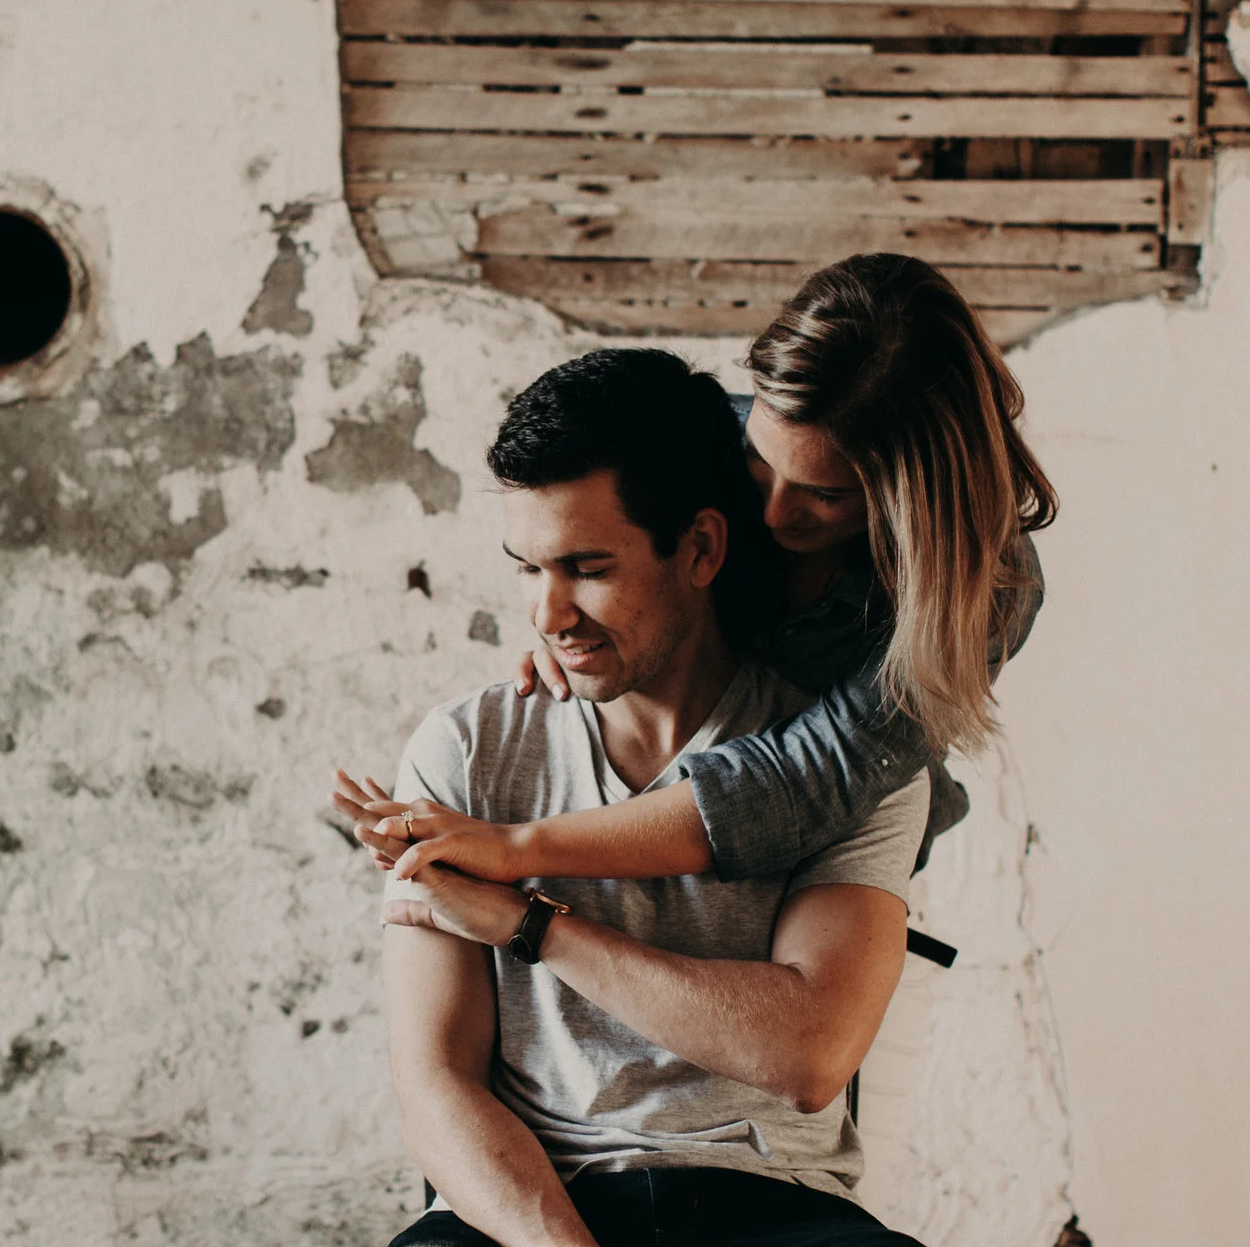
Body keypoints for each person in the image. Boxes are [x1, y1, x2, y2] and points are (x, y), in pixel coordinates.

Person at [245, 336, 1119, 1247]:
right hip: (517, 1227)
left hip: (778, 1233)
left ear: (702, 547)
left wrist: (529, 918)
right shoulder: (465, 747)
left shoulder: (846, 765)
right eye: (527, 568)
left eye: (588, 566)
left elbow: (804, 1050)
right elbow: (435, 1082)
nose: (547, 613)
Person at [370, 252, 1055, 904]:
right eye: (761, 457)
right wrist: (581, 632)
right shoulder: (706, 439)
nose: (774, 509)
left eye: (828, 493)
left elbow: (805, 785)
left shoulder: (988, 588)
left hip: (828, 875)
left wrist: (519, 850)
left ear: (920, 500)